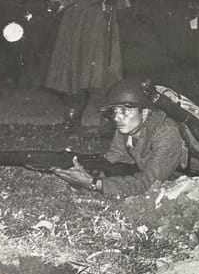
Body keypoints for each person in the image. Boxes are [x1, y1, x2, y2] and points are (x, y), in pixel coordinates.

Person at [53, 77, 189, 196]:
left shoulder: (167, 134)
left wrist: (93, 183)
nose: (117, 118)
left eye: (125, 111)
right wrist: (84, 169)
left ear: (145, 113)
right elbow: (114, 159)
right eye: (115, 111)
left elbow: (148, 185)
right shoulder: (128, 127)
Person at [45, 0, 127, 129]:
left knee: (102, 70)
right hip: (74, 13)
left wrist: (72, 0)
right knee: (73, 69)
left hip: (99, 13)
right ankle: (73, 114)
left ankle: (110, 120)